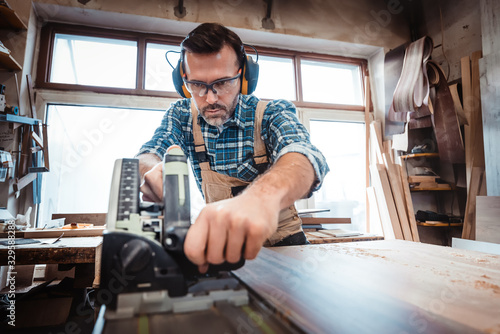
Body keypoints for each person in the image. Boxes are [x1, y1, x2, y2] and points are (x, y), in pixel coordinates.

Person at [137, 22, 329, 273]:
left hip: (284, 245)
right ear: (183, 81)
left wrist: (261, 199)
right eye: (197, 85)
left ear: (244, 76)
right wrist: (155, 170)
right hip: (221, 245)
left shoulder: (270, 113)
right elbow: (148, 154)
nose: (211, 98)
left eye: (224, 82)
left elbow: (304, 156)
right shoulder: (181, 115)